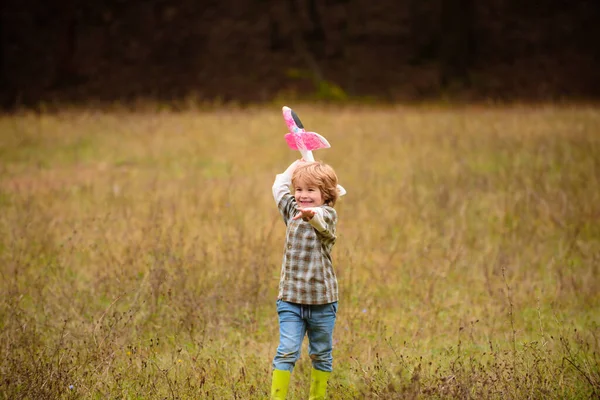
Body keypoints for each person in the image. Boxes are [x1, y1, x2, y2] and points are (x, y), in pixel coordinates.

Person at [270, 159, 341, 400]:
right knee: (287, 352)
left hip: (322, 302)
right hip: (291, 300)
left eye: (311, 190)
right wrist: (294, 167)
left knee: (321, 354)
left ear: (326, 194)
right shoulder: (292, 212)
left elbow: (321, 221)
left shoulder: (328, 215)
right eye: (299, 189)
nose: (303, 195)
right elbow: (278, 187)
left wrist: (312, 216)